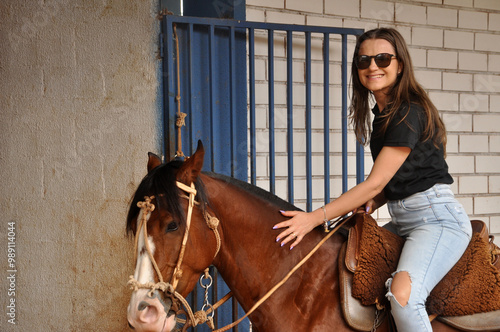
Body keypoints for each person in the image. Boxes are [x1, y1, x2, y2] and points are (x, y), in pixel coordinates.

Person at [273, 27, 472, 332]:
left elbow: (376, 182)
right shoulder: (384, 113)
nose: (373, 67)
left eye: (382, 58)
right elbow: (406, 175)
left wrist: (313, 218)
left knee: (404, 299)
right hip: (405, 217)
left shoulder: (407, 111)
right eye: (364, 60)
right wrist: (374, 201)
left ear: (400, 64)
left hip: (436, 220)